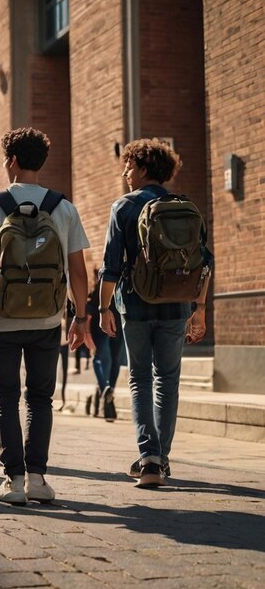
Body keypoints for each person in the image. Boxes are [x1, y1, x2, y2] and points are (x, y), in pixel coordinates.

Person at [0, 128, 93, 505]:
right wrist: (80, 318)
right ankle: (37, 478)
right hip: (48, 319)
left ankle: (13, 481)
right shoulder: (63, 207)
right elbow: (78, 272)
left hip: (0, 319)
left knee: (4, 397)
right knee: (40, 398)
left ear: (13, 161)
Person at [99, 138, 211, 488]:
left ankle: (148, 459)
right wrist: (200, 310)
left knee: (140, 380)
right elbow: (204, 263)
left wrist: (103, 308)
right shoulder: (186, 206)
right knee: (168, 380)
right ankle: (162, 458)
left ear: (144, 168)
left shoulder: (124, 207)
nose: (125, 172)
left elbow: (110, 267)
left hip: (135, 304)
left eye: (129, 166)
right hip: (178, 305)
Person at [87, 273, 124, 421]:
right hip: (110, 324)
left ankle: (105, 389)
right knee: (111, 359)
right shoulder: (100, 289)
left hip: (107, 324)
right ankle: (108, 391)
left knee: (101, 359)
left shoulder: (104, 284)